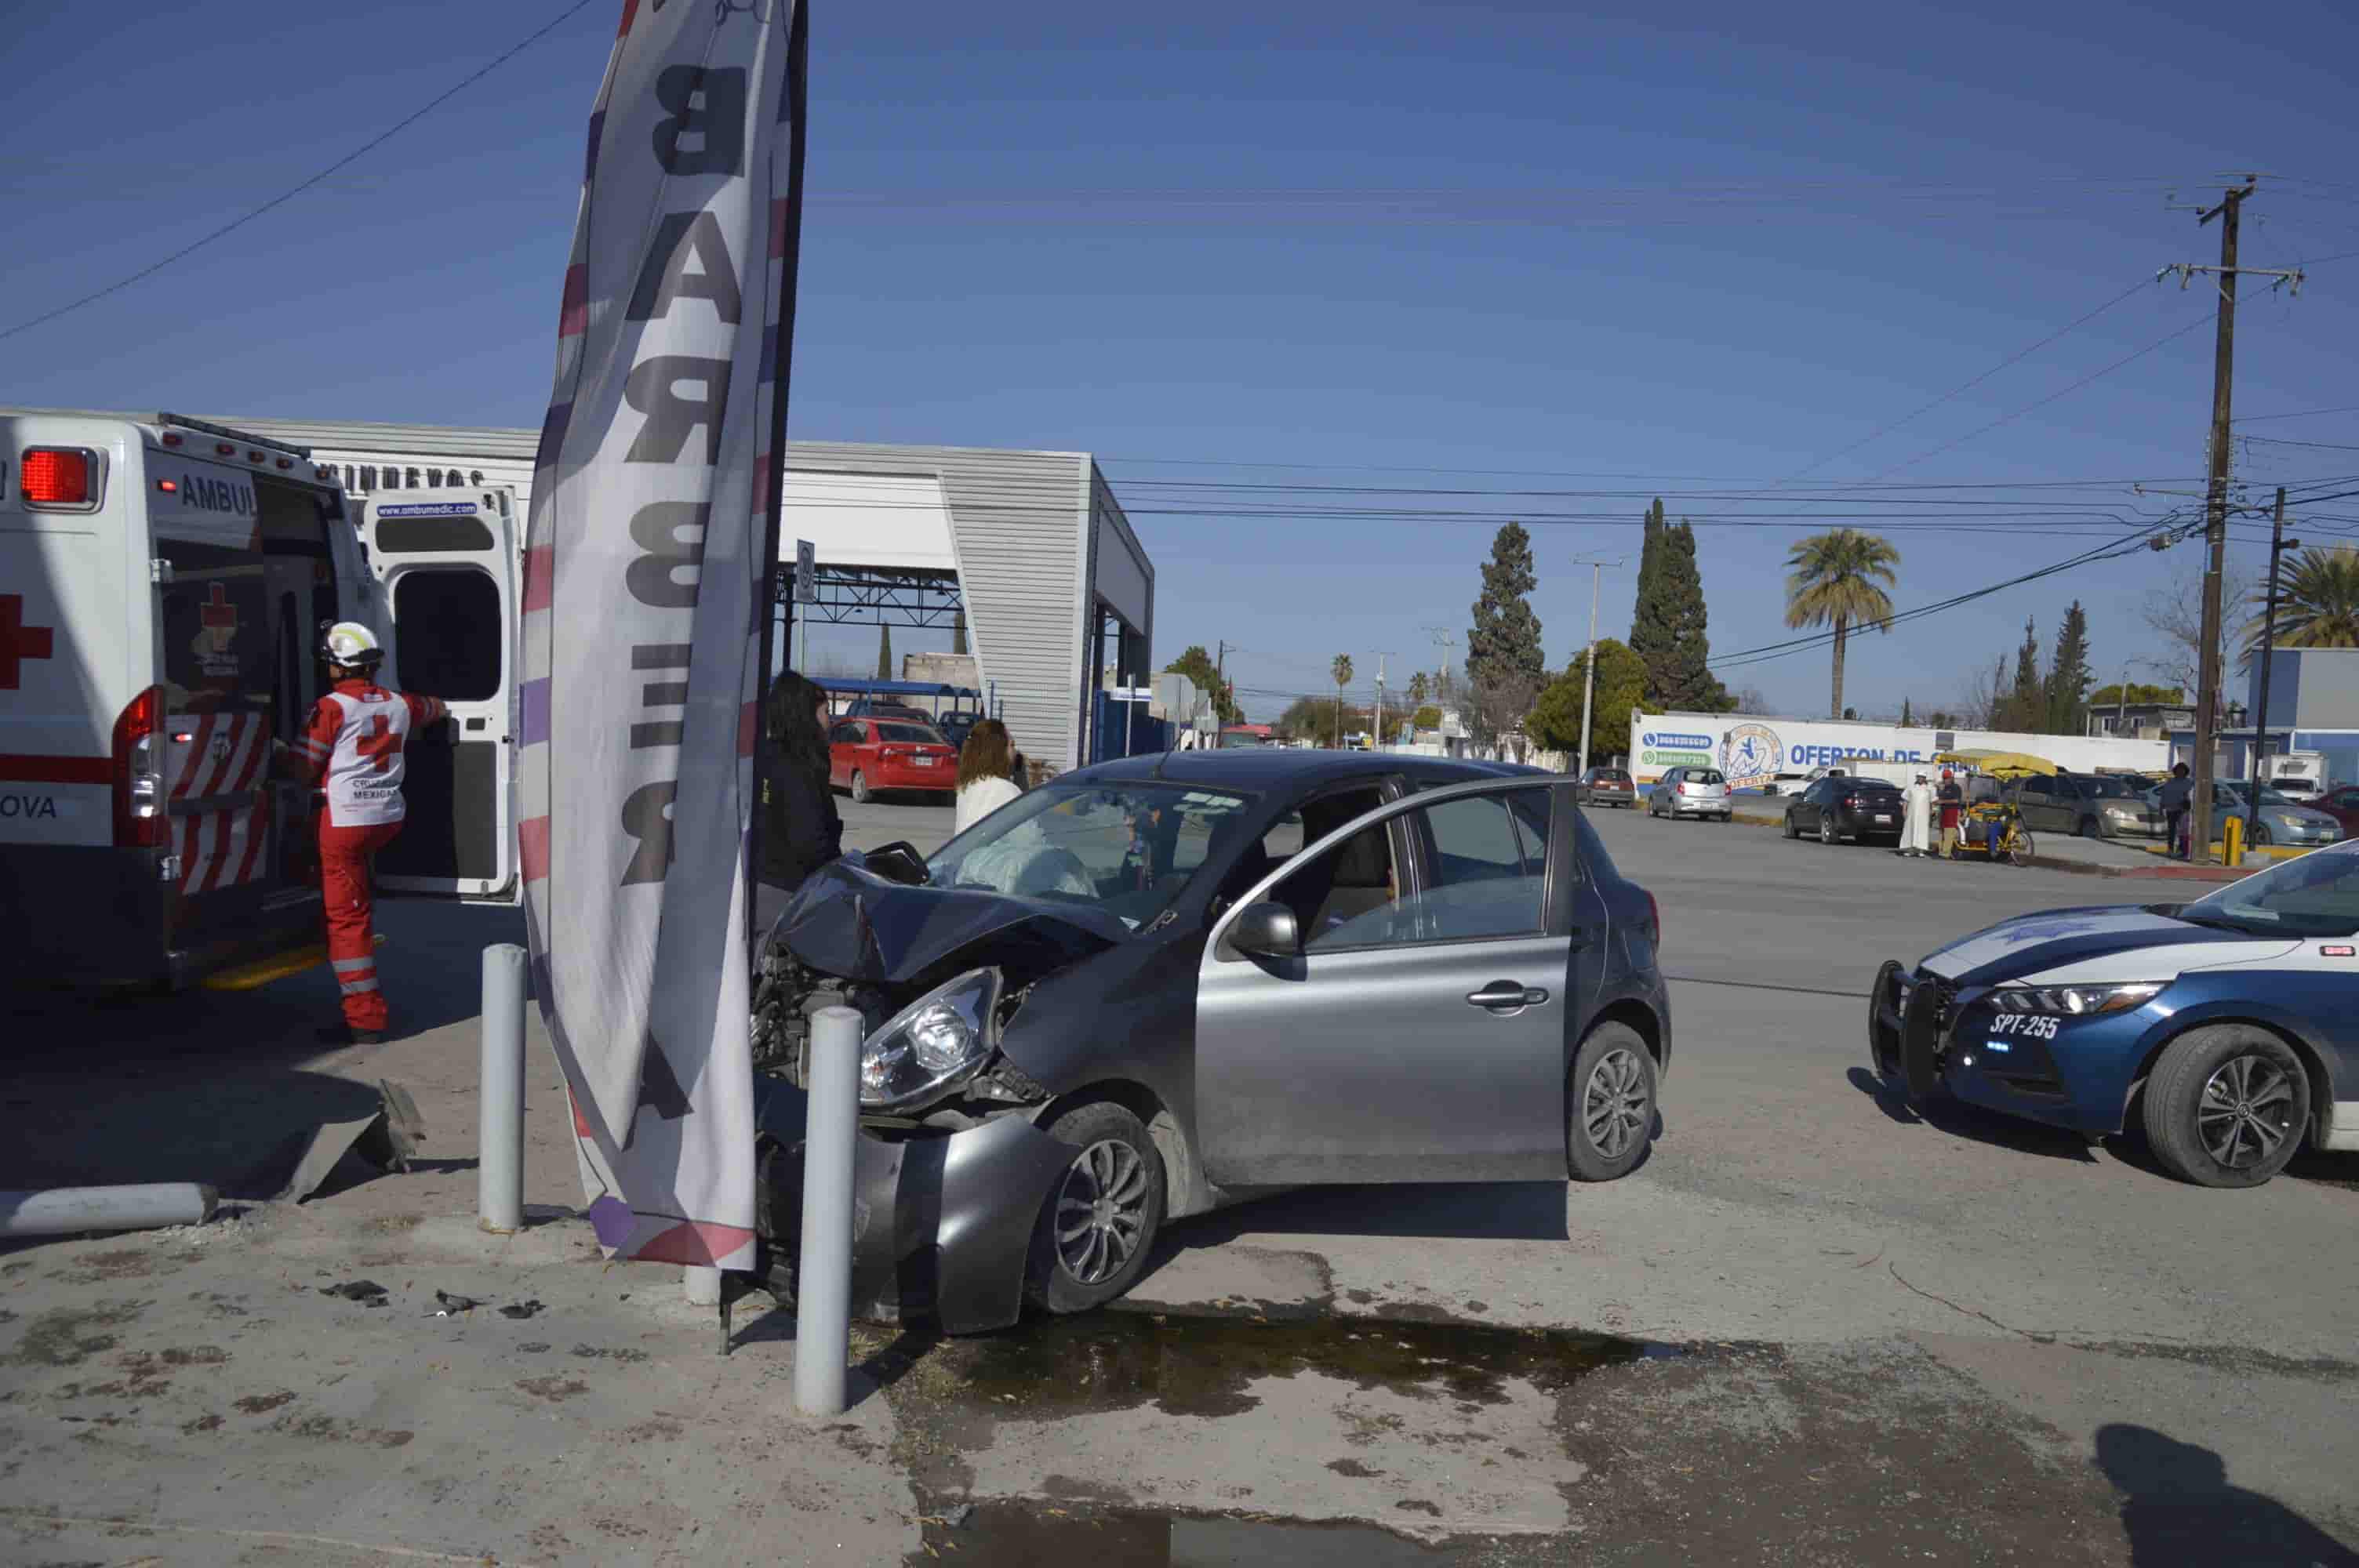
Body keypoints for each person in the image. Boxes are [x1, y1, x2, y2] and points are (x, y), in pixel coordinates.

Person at [276, 622, 446, 1045]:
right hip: (387, 818)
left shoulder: (330, 708)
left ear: (337, 667)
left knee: (348, 921)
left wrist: (279, 752)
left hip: (346, 823)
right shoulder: (402, 704)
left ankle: (365, 1020)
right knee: (351, 895)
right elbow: (437, 707)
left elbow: (302, 771)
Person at [754, 671, 843, 942]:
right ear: (807, 716)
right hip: (790, 894)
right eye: (826, 712)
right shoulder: (799, 766)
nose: (831, 721)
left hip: (760, 885)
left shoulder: (764, 756)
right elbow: (809, 840)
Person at [954, 718, 1024, 834]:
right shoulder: (1006, 790)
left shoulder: (966, 787)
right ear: (997, 750)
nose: (1016, 752)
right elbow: (1027, 837)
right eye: (1012, 745)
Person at [2158, 761, 2194, 860]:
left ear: (2185, 772)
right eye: (2178, 770)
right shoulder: (2170, 782)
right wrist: (2161, 808)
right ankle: (2170, 849)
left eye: (2182, 771)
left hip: (2182, 810)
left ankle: (2181, 850)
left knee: (2183, 832)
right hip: (2170, 810)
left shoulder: (2189, 783)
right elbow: (2163, 796)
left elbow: (2190, 797)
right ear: (2175, 771)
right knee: (2171, 831)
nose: (2180, 772)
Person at [1899, 771, 1934, 858]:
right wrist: (1904, 810)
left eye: (1922, 777)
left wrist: (1932, 811)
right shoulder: (1911, 787)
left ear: (1925, 778)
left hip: (1924, 814)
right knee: (1910, 830)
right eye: (1918, 777)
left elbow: (1932, 801)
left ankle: (1921, 850)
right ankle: (1909, 850)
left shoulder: (1930, 788)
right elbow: (1906, 800)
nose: (1920, 778)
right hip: (1912, 813)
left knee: (1922, 831)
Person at [1936, 768, 1965, 859]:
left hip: (1952, 812)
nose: (1945, 780)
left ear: (1951, 778)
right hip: (1943, 812)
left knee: (1949, 833)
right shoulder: (1944, 788)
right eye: (1944, 778)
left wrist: (1942, 802)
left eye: (1947, 778)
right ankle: (1940, 851)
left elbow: (1956, 800)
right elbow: (1940, 798)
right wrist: (1939, 790)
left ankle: (1946, 853)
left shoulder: (1956, 787)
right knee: (1942, 832)